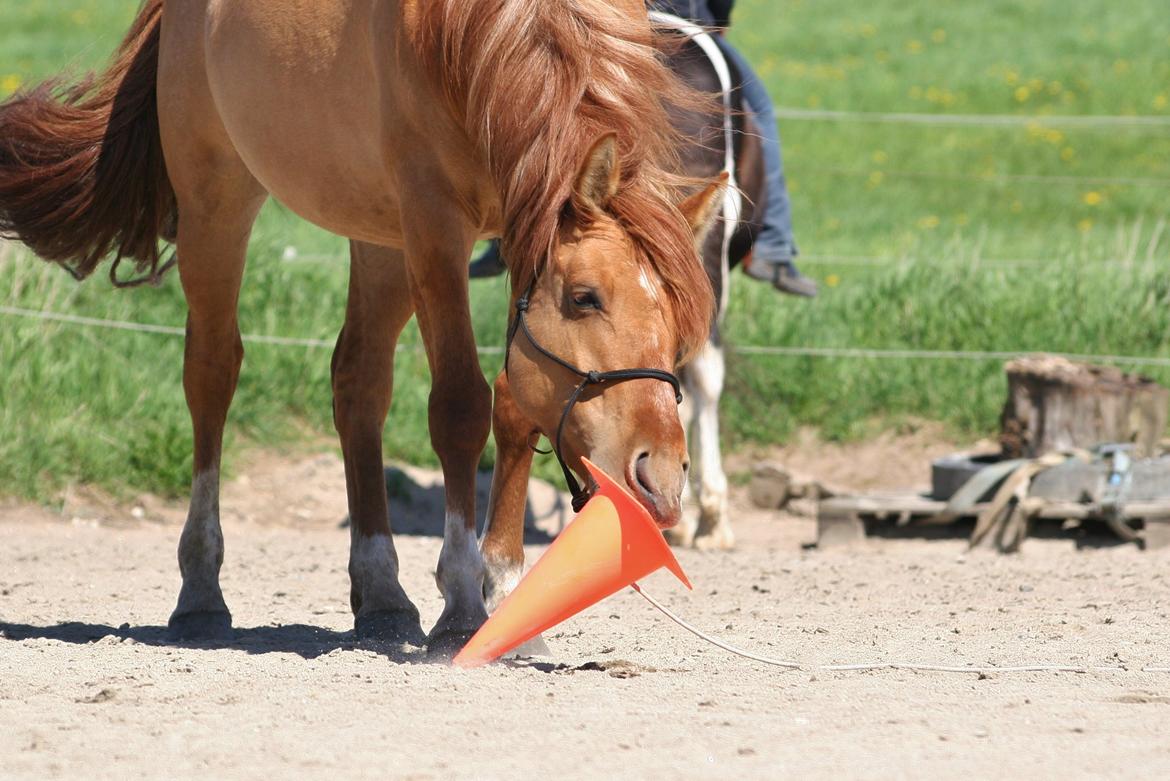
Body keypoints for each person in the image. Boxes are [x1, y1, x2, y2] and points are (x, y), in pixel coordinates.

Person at [470, 0, 817, 298]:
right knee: (760, 109)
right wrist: (720, 20)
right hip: (683, 17)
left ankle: (504, 237)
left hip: (599, 18)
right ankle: (774, 243)